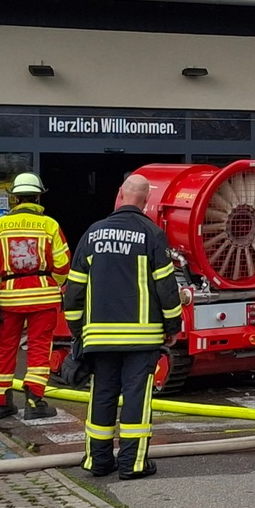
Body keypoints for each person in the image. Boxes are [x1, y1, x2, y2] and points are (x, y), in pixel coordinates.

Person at [64, 174, 182, 480]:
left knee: (101, 394)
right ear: (145, 200)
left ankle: (98, 460)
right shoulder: (152, 234)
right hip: (141, 338)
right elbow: (167, 288)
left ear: (119, 194)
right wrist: (173, 325)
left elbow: (74, 290)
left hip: (99, 337)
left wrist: (77, 331)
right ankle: (133, 463)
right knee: (136, 398)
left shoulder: (91, 234)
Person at [0, 172, 71, 420]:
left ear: (15, 198)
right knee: (39, 348)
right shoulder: (50, 224)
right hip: (43, 296)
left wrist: (5, 284)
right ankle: (34, 402)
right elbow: (63, 264)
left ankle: (1, 403)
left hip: (10, 297)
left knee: (5, 347)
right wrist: (54, 284)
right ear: (38, 197)